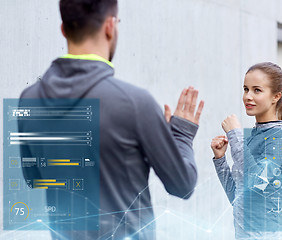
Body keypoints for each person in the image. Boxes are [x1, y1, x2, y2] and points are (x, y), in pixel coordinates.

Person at [19, 0, 204, 239]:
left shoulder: (29, 99)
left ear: (63, 29)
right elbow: (183, 185)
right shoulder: (135, 103)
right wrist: (180, 134)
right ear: (109, 26)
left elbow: (33, 179)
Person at [211, 62, 282, 239]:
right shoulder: (253, 137)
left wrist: (235, 135)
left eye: (257, 90)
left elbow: (257, 182)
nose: (247, 96)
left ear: (276, 96)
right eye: (245, 89)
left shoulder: (280, 136)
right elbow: (239, 198)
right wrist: (220, 160)